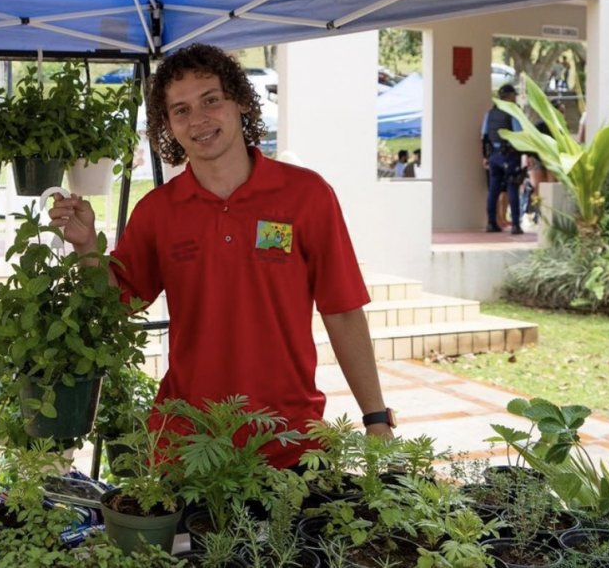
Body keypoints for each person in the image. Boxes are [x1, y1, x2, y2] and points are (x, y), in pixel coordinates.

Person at [49, 43, 393, 470]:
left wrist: (377, 418)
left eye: (211, 100)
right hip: (188, 445)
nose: (198, 120)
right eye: (181, 110)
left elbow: (342, 311)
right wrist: (87, 248)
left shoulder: (306, 196)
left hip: (289, 440)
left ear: (241, 101)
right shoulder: (158, 211)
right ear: (167, 127)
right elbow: (118, 303)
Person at [481, 83, 524, 234]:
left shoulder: (490, 113)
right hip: (510, 155)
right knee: (512, 187)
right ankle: (516, 225)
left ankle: (491, 223)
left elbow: (484, 136)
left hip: (493, 155)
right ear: (511, 96)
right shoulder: (512, 112)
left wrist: (485, 156)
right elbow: (519, 134)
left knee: (493, 190)